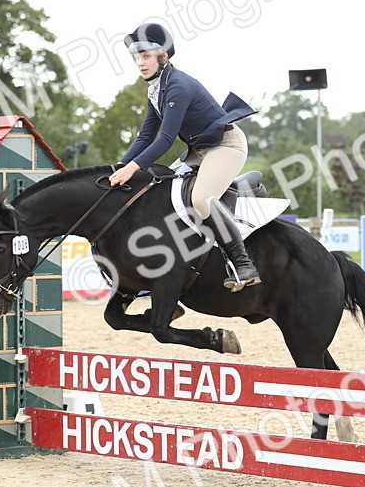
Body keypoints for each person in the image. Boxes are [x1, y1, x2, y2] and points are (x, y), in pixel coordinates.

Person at [108, 22, 260, 291]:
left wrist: (131, 168)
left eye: (146, 57)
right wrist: (118, 166)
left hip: (226, 145)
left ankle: (242, 263)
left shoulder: (178, 85)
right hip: (199, 151)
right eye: (137, 58)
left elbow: (165, 140)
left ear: (162, 56)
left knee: (201, 198)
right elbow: (144, 137)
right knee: (158, 187)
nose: (140, 63)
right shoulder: (155, 89)